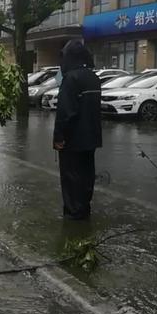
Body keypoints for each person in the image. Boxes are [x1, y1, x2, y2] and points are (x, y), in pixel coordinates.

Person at [53, 40, 102, 220]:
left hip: (72, 140)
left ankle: (73, 214)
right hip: (91, 139)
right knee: (87, 176)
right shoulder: (93, 78)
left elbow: (65, 112)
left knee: (71, 177)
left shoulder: (70, 79)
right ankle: (84, 210)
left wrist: (58, 137)